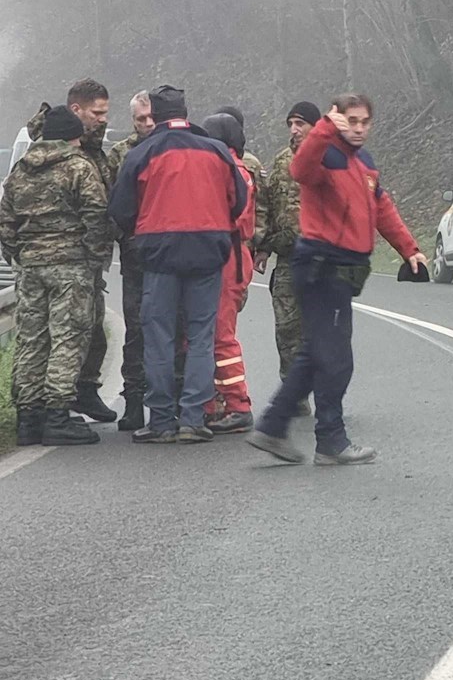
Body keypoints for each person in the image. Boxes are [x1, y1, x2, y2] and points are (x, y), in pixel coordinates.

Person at [246, 94, 425, 465]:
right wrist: (326, 126)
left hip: (342, 270)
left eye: (364, 122)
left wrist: (410, 249)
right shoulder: (324, 153)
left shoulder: (364, 163)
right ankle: (328, 440)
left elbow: (381, 209)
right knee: (334, 357)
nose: (358, 128)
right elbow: (300, 170)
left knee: (317, 353)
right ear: (338, 120)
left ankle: (275, 427)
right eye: (351, 121)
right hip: (321, 265)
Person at [109, 85, 248, 444]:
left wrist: (143, 230)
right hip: (207, 251)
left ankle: (161, 421)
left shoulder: (142, 153)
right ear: (186, 112)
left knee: (159, 336)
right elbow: (238, 201)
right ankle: (193, 418)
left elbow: (121, 208)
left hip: (160, 253)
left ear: (153, 115)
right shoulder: (216, 150)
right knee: (201, 335)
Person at [1, 104, 113, 447]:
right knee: (68, 337)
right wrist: (95, 256)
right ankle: (57, 414)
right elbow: (96, 212)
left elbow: (5, 219)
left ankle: (28, 418)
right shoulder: (78, 167)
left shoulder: (20, 170)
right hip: (70, 265)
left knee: (32, 339)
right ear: (73, 137)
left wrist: (17, 253)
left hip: (31, 268)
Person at [255, 101, 318, 411]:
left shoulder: (330, 158)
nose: (295, 129)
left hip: (322, 258)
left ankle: (326, 391)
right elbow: (265, 206)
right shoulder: (281, 162)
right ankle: (294, 391)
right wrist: (263, 247)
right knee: (286, 326)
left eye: (301, 123)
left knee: (319, 327)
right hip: (288, 258)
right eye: (291, 123)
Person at [199, 113, 259, 432]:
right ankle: (213, 403)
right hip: (227, 254)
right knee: (206, 334)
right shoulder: (233, 167)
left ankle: (237, 404)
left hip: (228, 256)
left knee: (220, 334)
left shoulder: (231, 170)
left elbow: (230, 217)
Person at [107, 90, 155, 429]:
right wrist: (125, 236)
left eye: (152, 118)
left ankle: (174, 400)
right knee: (136, 330)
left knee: (174, 327)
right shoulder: (120, 154)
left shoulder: (172, 147)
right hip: (135, 255)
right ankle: (134, 401)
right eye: (141, 119)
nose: (148, 125)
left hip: (167, 253)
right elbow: (110, 203)